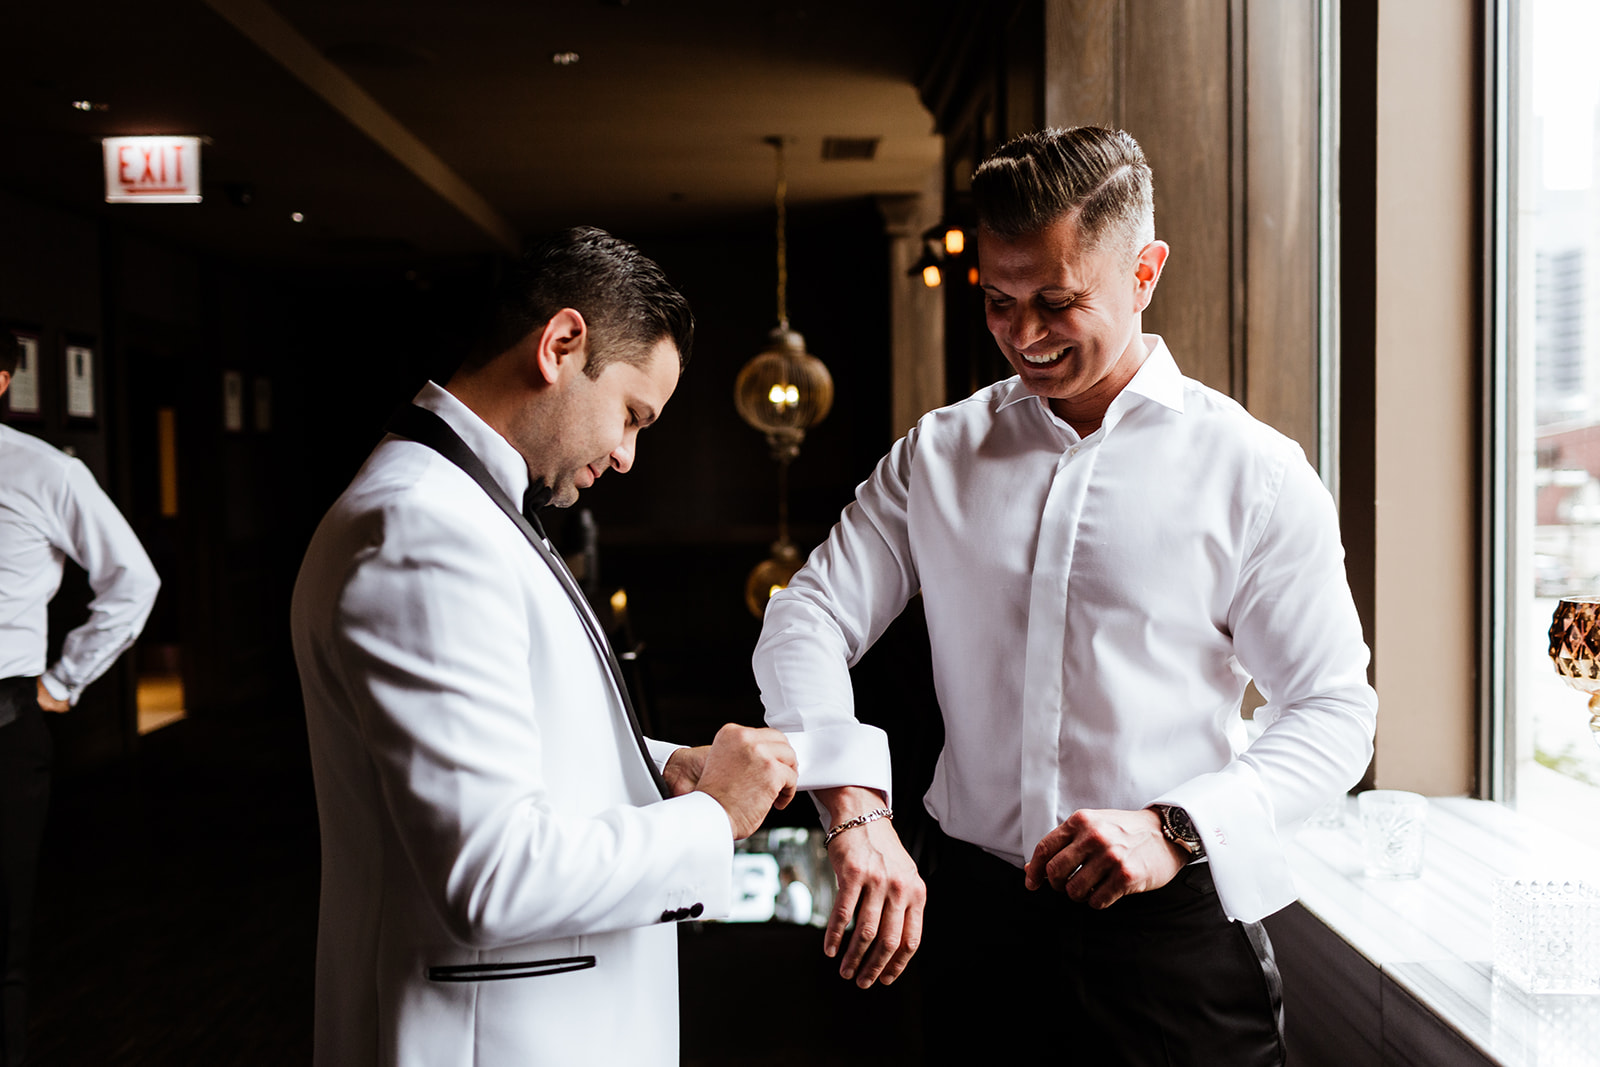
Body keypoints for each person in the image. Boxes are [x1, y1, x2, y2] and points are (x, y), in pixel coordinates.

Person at [753, 127, 1378, 1064]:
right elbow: (806, 616)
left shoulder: (1254, 472)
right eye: (999, 303)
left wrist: (1177, 825)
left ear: (1145, 271)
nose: (1024, 336)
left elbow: (1335, 712)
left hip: (1169, 938)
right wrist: (856, 806)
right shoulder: (938, 455)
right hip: (975, 934)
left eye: (1057, 301)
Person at [292, 227, 819, 1067]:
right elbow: (491, 871)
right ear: (561, 344)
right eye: (631, 415)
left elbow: (499, 735)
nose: (625, 454)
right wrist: (712, 817)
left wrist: (656, 766)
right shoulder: (421, 528)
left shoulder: (466, 505)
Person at [0, 333, 160, 1067]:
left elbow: (134, 578)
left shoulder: (45, 472)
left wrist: (64, 679)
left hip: (2, 726)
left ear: (2, 378)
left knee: (2, 939)